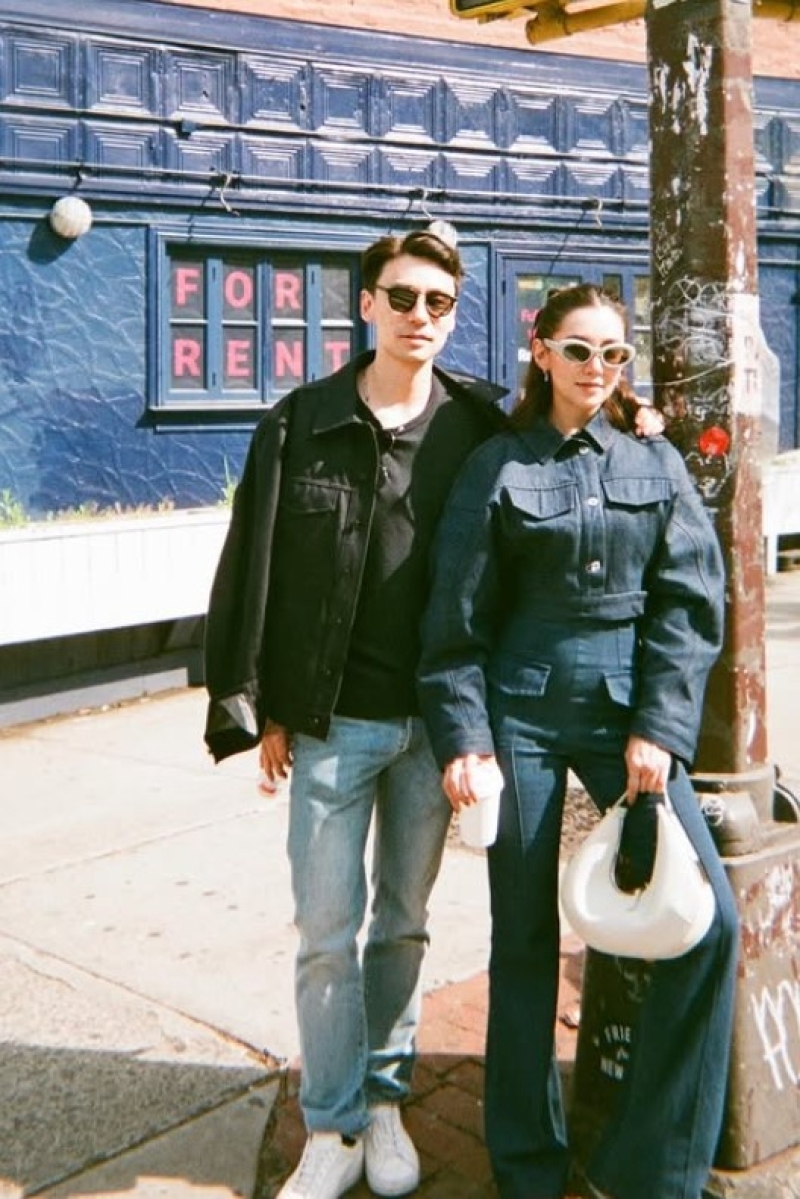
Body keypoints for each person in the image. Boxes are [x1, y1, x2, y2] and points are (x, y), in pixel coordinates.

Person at [203, 222, 511, 1199]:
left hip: (433, 726)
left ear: (453, 316)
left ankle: (383, 1098)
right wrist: (262, 705)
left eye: (439, 302)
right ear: (367, 303)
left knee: (404, 922)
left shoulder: (481, 424)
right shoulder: (300, 422)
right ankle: (331, 1122)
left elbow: (569, 439)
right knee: (326, 930)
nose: (421, 315)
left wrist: (638, 415)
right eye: (403, 296)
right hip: (334, 724)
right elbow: (255, 567)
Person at [416, 284, 739, 1199]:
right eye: (579, 350)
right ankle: (527, 1164)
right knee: (522, 939)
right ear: (542, 351)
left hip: (625, 713)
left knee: (707, 921)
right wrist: (466, 738)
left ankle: (653, 1168)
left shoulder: (653, 459)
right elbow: (455, 621)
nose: (597, 368)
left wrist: (659, 727)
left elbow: (690, 603)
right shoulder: (498, 465)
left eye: (614, 353)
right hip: (517, 713)